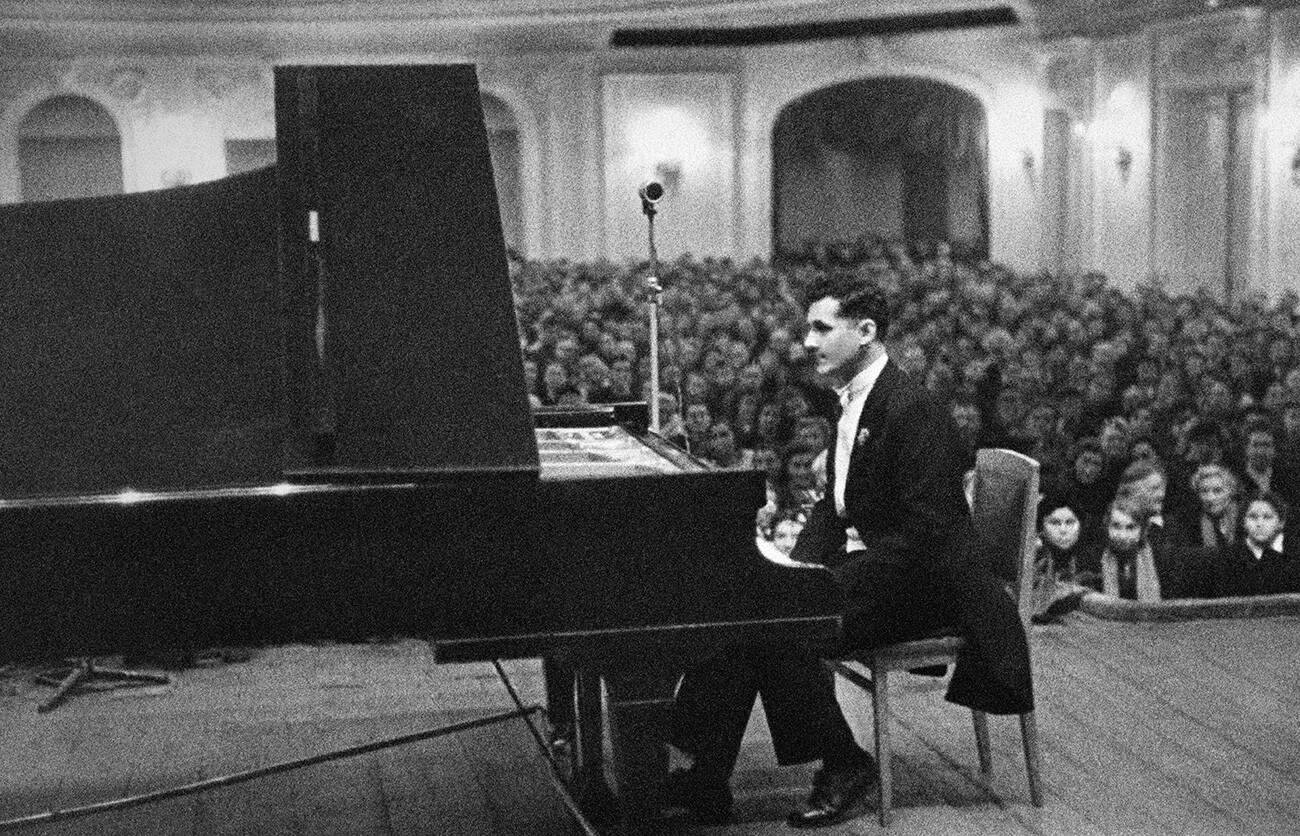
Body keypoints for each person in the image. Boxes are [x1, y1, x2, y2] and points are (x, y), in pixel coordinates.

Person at [668, 272, 1033, 828]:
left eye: (821, 328)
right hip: (890, 572)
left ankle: (844, 764)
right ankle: (708, 776)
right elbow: (833, 510)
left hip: (936, 588)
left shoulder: (912, 410)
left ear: (865, 331)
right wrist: (795, 569)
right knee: (757, 604)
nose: (807, 342)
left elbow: (929, 537)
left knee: (786, 624)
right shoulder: (851, 401)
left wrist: (826, 585)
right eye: (807, 329)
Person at [1209, 491, 1300, 596]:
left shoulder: (1295, 554)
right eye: (1253, 517)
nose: (1259, 524)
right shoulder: (1228, 558)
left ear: (1281, 523)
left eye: (1267, 517)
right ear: (1244, 522)